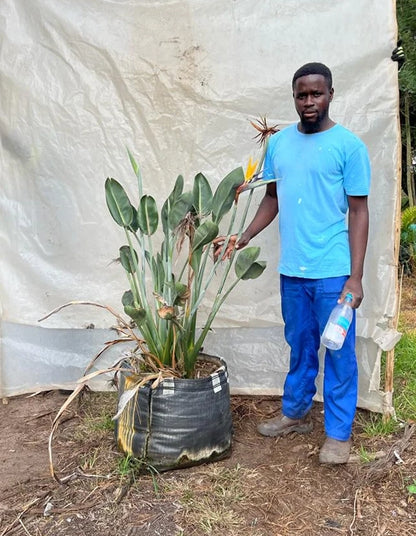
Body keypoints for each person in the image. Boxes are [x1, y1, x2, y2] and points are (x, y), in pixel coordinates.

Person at [216, 62, 371, 464]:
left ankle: (338, 435)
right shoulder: (280, 144)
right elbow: (273, 197)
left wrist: (355, 277)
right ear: (294, 97)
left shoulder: (349, 147)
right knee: (299, 345)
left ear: (331, 94)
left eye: (316, 94)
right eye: (301, 94)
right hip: (293, 271)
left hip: (334, 272)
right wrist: (245, 235)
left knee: (339, 351)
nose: (308, 102)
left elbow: (358, 211)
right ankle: (296, 413)